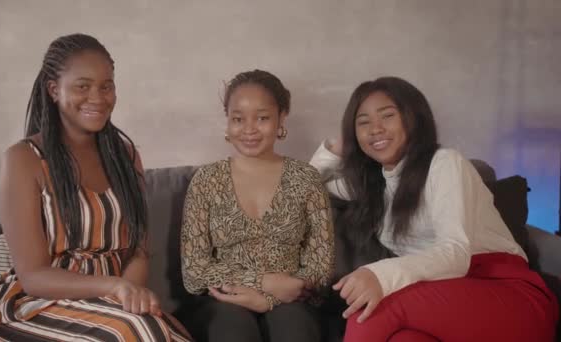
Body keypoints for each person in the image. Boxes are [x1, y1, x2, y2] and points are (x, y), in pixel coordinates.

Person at [310, 76, 558, 341]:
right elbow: (306, 188)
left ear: (413, 117)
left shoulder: (444, 163)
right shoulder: (373, 185)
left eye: (387, 116)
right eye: (363, 123)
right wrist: (337, 148)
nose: (375, 129)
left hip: (506, 297)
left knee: (372, 310)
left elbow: (456, 253)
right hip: (441, 303)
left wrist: (378, 274)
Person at [0, 33, 191, 342]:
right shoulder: (23, 159)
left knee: (162, 331)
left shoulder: (125, 156)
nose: (98, 97)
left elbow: (138, 252)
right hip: (40, 305)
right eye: (83, 86)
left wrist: (127, 296)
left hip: (112, 303)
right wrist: (112, 288)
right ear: (54, 90)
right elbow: (33, 276)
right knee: (135, 331)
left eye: (106, 86)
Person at [179, 69, 334, 342]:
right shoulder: (207, 180)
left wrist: (270, 299)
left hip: (291, 300)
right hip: (225, 300)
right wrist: (263, 283)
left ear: (281, 118)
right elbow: (194, 272)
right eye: (238, 119)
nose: (249, 129)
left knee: (294, 330)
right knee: (232, 330)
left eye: (262, 118)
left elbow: (320, 265)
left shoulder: (306, 178)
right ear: (228, 122)